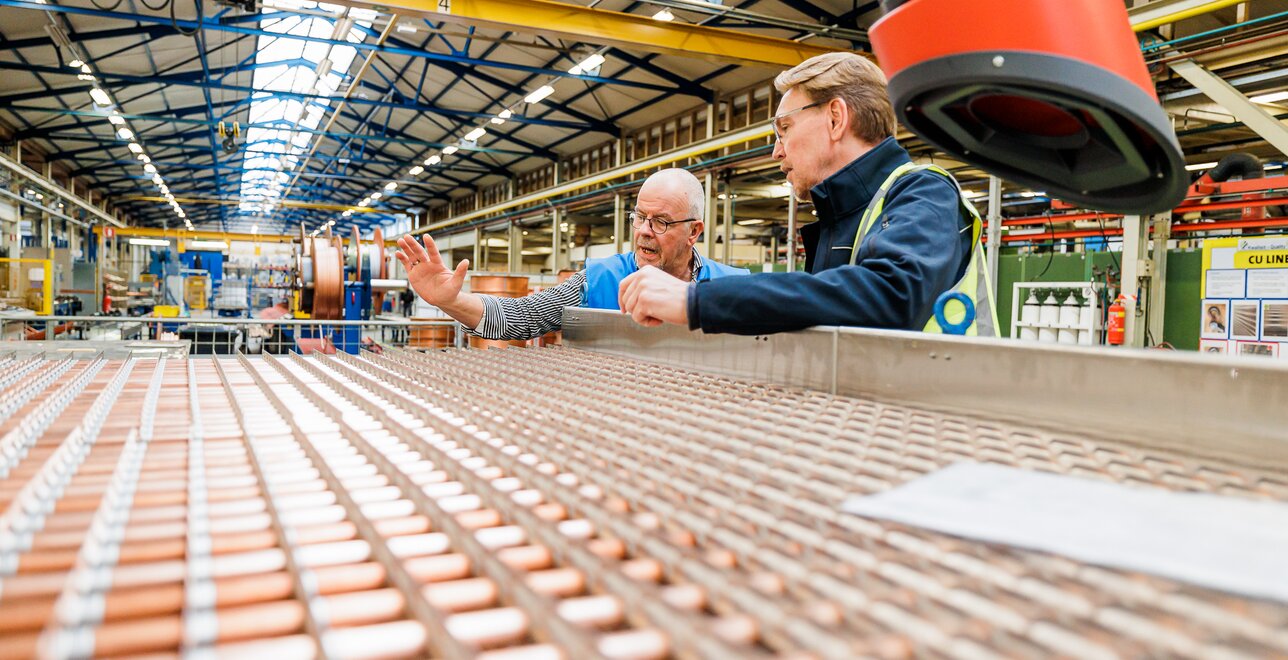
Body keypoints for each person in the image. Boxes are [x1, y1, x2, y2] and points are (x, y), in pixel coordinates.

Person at [617, 52, 997, 336]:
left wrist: (696, 300)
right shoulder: (841, 218)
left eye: (784, 129)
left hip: (947, 428)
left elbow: (891, 294)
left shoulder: (923, 191)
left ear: (835, 118)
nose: (776, 151)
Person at [395, 168, 747, 341]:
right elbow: (522, 316)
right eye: (639, 217)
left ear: (694, 231)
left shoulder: (733, 288)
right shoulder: (599, 280)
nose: (643, 231)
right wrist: (450, 302)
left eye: (661, 222)